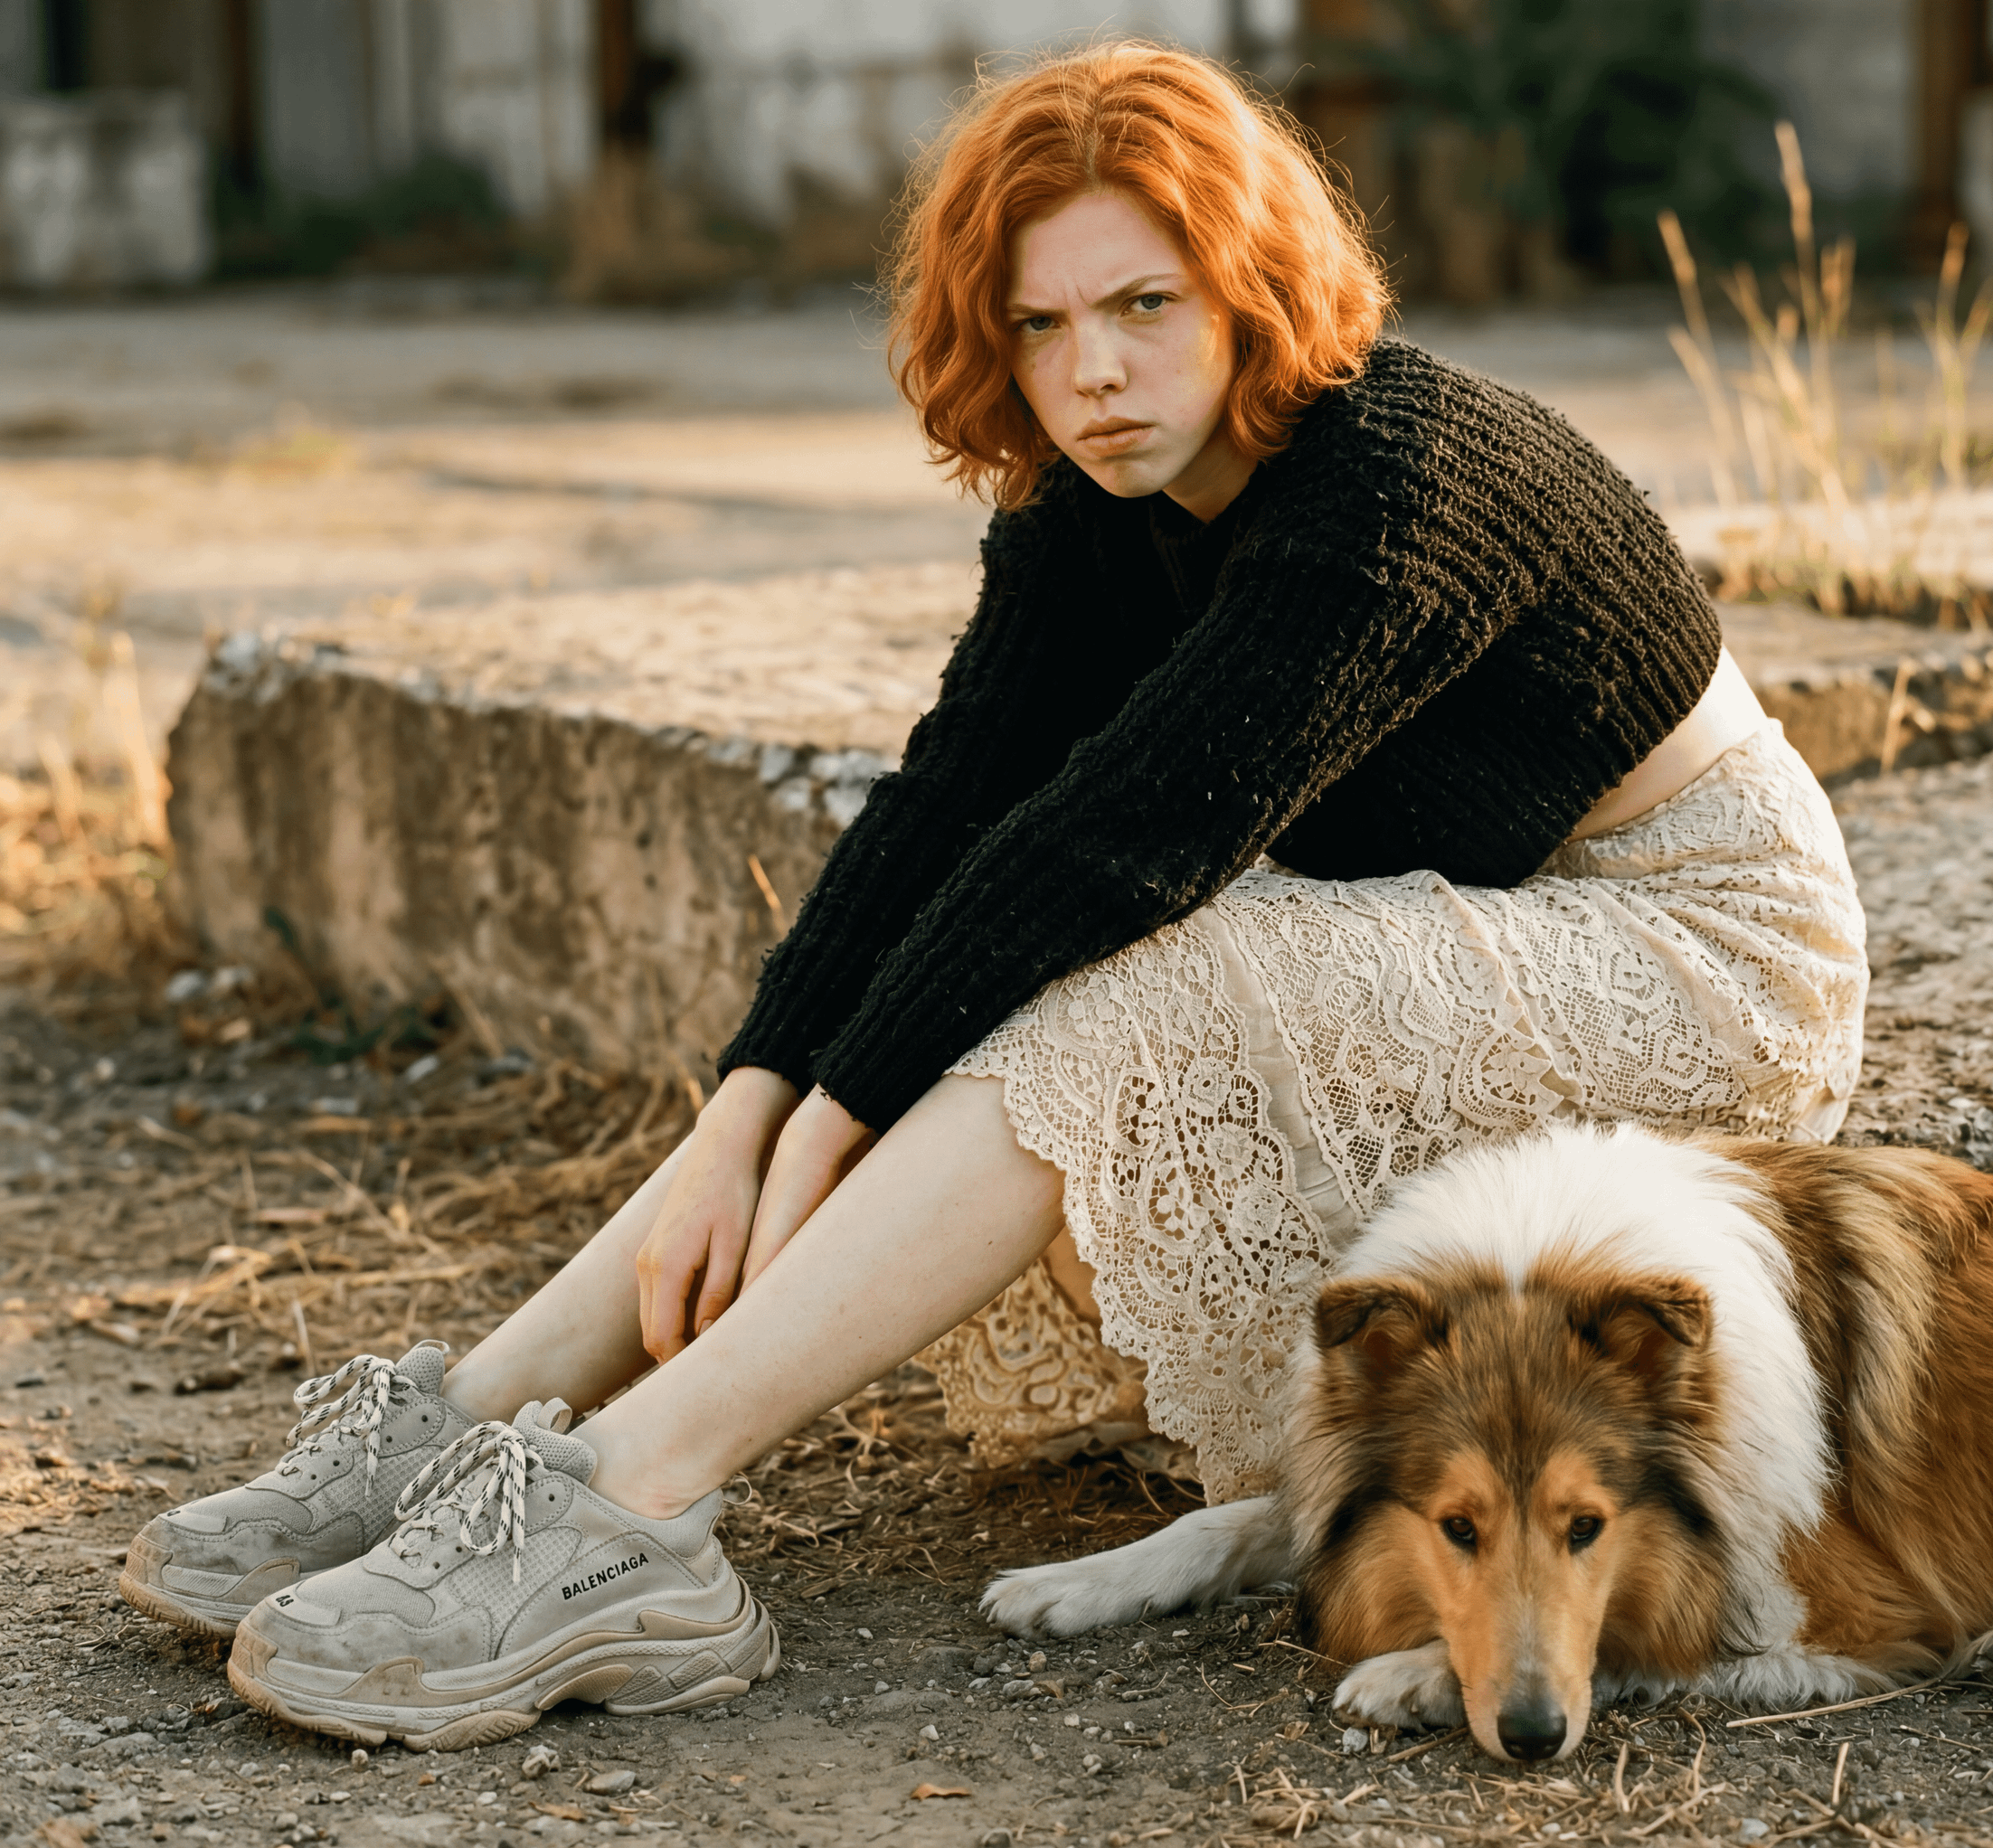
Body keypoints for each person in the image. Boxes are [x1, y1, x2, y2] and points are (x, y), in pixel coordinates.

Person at [121, 42, 1867, 1748]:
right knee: (1011, 949)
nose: (1090, 370)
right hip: (1480, 915)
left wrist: (847, 1106)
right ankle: (479, 1418)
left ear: (1250, 287)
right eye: (1039, 325)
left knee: (1149, 965)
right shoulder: (1099, 494)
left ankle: (628, 1509)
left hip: (1698, 949)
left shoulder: (1400, 480)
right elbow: (945, 809)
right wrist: (752, 1107)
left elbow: (1127, 842)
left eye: (1143, 305)